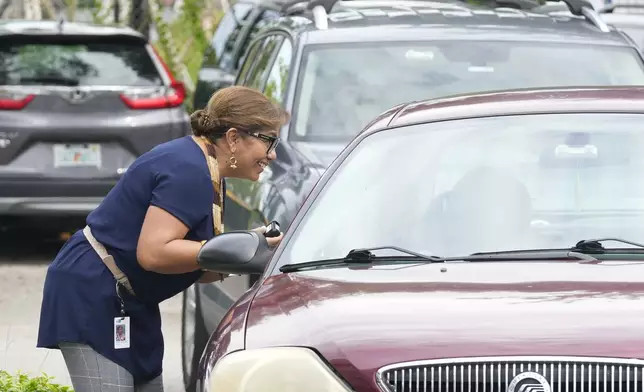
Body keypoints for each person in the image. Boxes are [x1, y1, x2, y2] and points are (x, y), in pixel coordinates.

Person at [37, 86, 290, 392]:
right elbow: (155, 253)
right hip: (94, 291)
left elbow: (201, 267)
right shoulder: (188, 168)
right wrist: (239, 246)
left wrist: (254, 250)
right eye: (269, 140)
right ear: (234, 138)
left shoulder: (207, 169)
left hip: (131, 298)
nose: (273, 154)